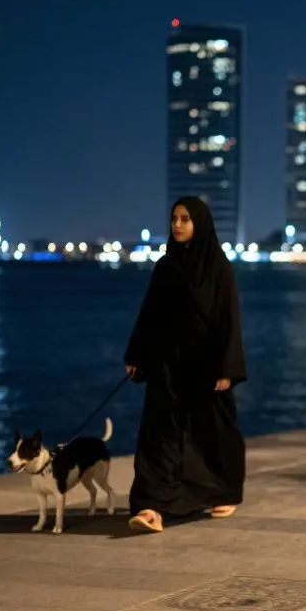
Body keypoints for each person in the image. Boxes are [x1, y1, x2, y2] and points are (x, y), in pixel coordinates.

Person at [123, 196, 247, 533]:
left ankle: (222, 492)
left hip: (206, 367)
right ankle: (151, 506)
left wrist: (228, 368)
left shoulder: (219, 267)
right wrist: (136, 355)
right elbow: (150, 315)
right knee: (159, 435)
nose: (177, 225)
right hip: (167, 365)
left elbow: (228, 319)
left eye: (185, 219)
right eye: (174, 218)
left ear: (200, 224)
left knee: (212, 434)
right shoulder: (166, 266)